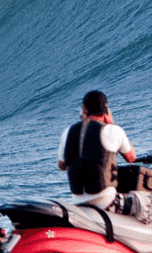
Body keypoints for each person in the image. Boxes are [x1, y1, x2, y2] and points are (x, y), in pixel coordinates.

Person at [58, 90, 152, 222]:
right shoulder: (113, 130)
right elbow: (131, 157)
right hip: (108, 204)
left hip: (79, 205)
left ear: (84, 110)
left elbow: (62, 165)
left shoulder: (67, 132)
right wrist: (111, 124)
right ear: (106, 110)